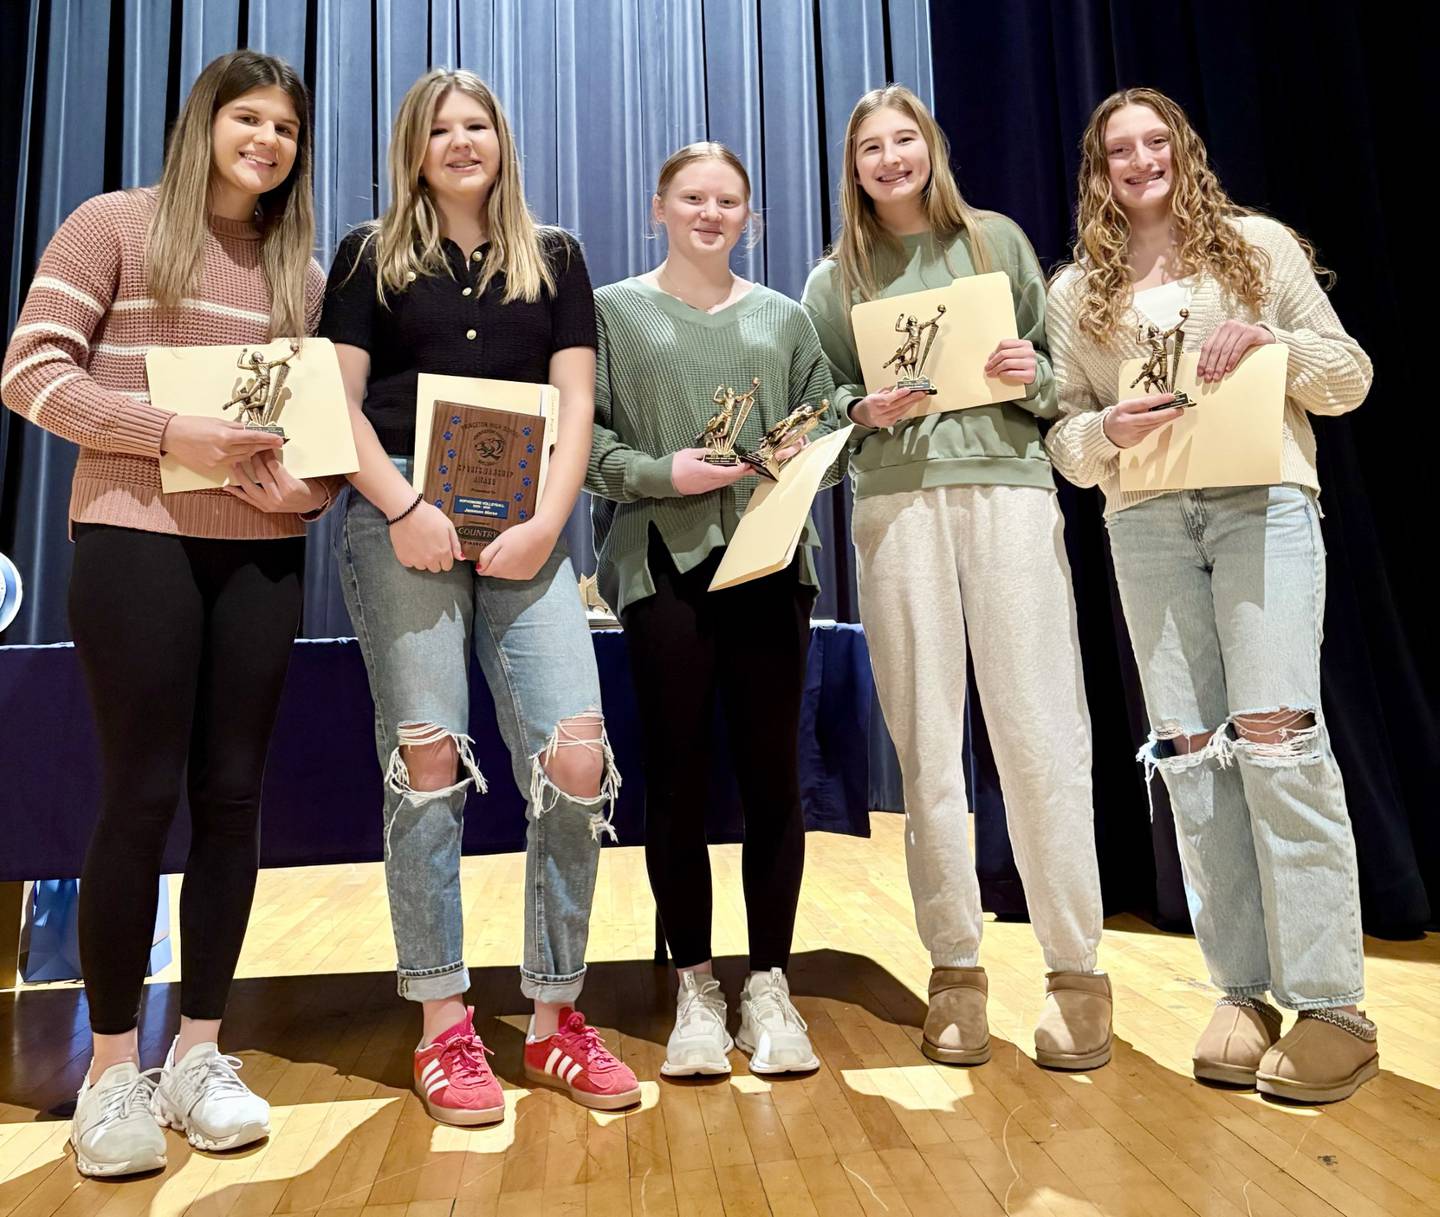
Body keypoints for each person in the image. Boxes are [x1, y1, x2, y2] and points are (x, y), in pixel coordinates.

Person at [1, 49, 331, 1176]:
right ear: (205, 123)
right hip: (133, 536)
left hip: (261, 554)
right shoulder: (112, 225)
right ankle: (109, 1071)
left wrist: (308, 495)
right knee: (140, 793)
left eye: (286, 128)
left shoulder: (300, 273)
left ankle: (199, 1052)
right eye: (250, 119)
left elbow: (320, 436)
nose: (268, 141)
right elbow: (30, 372)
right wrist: (165, 430)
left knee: (233, 797)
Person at [319, 68, 637, 1125]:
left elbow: (576, 404)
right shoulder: (368, 255)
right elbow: (337, 400)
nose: (462, 141)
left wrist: (548, 523)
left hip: (527, 521)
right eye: (441, 128)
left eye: (479, 125)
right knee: (426, 756)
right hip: (400, 515)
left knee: (577, 753)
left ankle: (554, 1015)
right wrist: (404, 504)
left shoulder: (557, 257)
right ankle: (443, 1021)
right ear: (414, 149)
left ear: (502, 140)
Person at [1044, 87, 1375, 1102]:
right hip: (1146, 522)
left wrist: (1274, 348)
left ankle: (1333, 1003)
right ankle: (1242, 990)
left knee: (1277, 735)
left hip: (1259, 504)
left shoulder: (1257, 250)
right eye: (1119, 150)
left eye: (1156, 142)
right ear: (1099, 172)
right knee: (1191, 753)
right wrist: (1109, 431)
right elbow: (1064, 437)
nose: (1140, 160)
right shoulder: (1076, 292)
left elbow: (1349, 377)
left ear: (1182, 150)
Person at [801, 85, 1111, 1072]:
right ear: (853, 168)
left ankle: (1076, 971)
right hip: (898, 508)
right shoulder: (833, 280)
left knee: (1040, 731)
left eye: (905, 139)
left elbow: (1059, 381)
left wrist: (1031, 373)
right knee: (926, 743)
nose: (890, 158)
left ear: (930, 147)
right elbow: (819, 412)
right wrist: (861, 411)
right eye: (871, 147)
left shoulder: (997, 242)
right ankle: (956, 969)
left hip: (1009, 493)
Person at [587, 142, 836, 1077]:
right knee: (677, 778)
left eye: (728, 200)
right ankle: (695, 982)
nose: (710, 212)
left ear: (749, 217)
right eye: (692, 197)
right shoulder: (612, 312)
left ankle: (769, 981)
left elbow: (827, 427)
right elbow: (586, 443)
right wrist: (666, 472)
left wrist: (807, 451)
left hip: (770, 563)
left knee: (773, 777)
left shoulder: (784, 318)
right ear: (659, 207)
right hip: (661, 567)